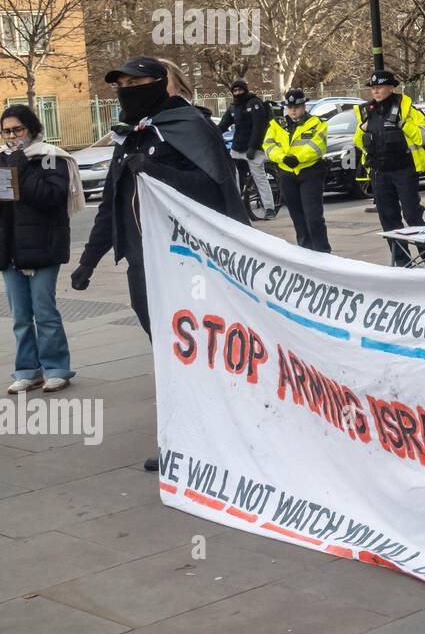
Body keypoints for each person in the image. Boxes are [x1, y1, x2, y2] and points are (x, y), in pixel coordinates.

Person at [69, 56, 246, 470]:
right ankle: (186, 434)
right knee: (165, 354)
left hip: (187, 267)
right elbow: (112, 202)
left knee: (195, 353)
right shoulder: (130, 135)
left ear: (162, 82)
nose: (125, 90)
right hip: (143, 264)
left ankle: (212, 437)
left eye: (136, 82)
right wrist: (89, 261)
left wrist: (155, 169)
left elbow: (212, 191)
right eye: (121, 84)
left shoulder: (187, 126)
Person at [1, 105, 84, 394]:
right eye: (7, 130)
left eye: (18, 130)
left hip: (43, 245)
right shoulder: (3, 159)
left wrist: (21, 166)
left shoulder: (50, 157)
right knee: (20, 315)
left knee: (44, 310)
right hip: (10, 248)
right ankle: (27, 370)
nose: (12, 136)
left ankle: (57, 368)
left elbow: (50, 197)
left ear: (31, 129)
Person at [352, 70, 425, 266]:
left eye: (379, 87)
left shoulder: (407, 108)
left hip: (403, 170)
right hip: (379, 172)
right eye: (373, 88)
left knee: (413, 214)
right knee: (388, 218)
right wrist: (362, 131)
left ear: (391, 87)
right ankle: (402, 263)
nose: (376, 91)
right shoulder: (367, 111)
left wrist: (404, 124)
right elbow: (359, 142)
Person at [265, 88, 330, 253]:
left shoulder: (317, 123)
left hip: (310, 172)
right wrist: (282, 157)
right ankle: (305, 250)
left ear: (304, 106)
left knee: (313, 216)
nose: (293, 110)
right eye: (290, 107)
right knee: (297, 216)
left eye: (297, 106)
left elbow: (318, 146)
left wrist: (297, 158)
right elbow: (268, 145)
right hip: (287, 174)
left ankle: (322, 251)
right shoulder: (277, 124)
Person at [218, 78, 275, 219]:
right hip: (237, 148)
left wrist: (253, 147)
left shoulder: (254, 103)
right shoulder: (233, 107)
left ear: (245, 90)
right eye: (235, 90)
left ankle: (269, 209)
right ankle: (236, 208)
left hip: (254, 149)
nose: (237, 93)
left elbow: (259, 127)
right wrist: (211, 133)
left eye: (240, 90)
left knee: (260, 177)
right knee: (233, 177)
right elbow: (222, 125)